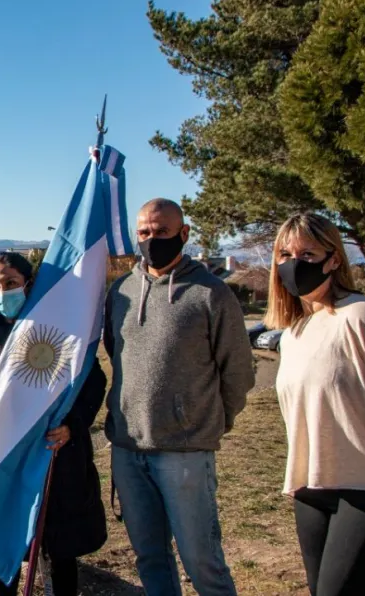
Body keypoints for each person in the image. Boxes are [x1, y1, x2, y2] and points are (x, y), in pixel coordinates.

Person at [104, 199, 253, 596]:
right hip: (128, 447)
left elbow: (238, 370)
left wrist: (211, 423)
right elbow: (114, 355)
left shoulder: (211, 294)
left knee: (202, 561)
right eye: (144, 233)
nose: (152, 240)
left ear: (184, 234)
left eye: (162, 232)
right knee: (150, 558)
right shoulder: (121, 292)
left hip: (184, 451)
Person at [0, 251, 107, 595]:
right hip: (4, 453)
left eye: (10, 283)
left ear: (29, 283)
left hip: (56, 451)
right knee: (5, 541)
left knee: (61, 546)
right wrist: (4, 409)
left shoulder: (60, 328)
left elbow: (93, 381)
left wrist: (73, 423)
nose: (2, 291)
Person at [268, 213, 365, 596]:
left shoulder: (364, 316)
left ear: (334, 259)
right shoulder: (293, 333)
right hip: (311, 487)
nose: (294, 263)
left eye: (307, 254)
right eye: (285, 254)